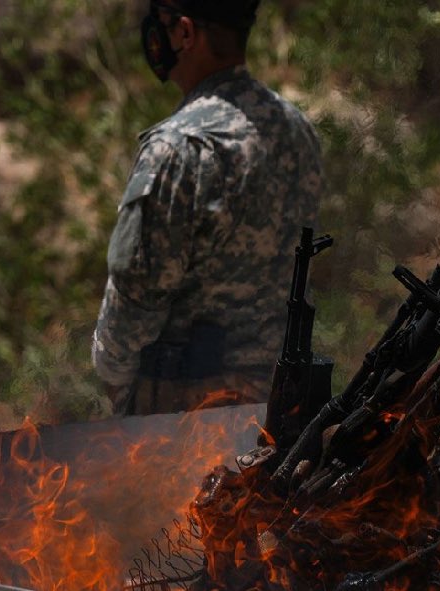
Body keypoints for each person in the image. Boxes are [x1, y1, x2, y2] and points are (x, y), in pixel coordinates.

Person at [92, 0, 324, 414]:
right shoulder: (297, 129)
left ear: (184, 33)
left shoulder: (177, 146)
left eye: (162, 25)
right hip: (275, 406)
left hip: (181, 420)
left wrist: (114, 378)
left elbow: (137, 288)